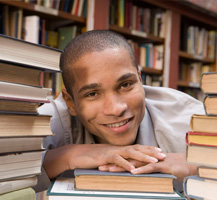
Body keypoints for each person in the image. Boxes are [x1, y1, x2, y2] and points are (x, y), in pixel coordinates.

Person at [36, 30, 204, 192]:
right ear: (70, 102)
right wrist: (66, 157)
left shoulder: (190, 120)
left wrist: (195, 166)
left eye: (125, 85)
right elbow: (9, 173)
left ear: (140, 78)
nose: (116, 109)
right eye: (92, 94)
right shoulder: (46, 122)